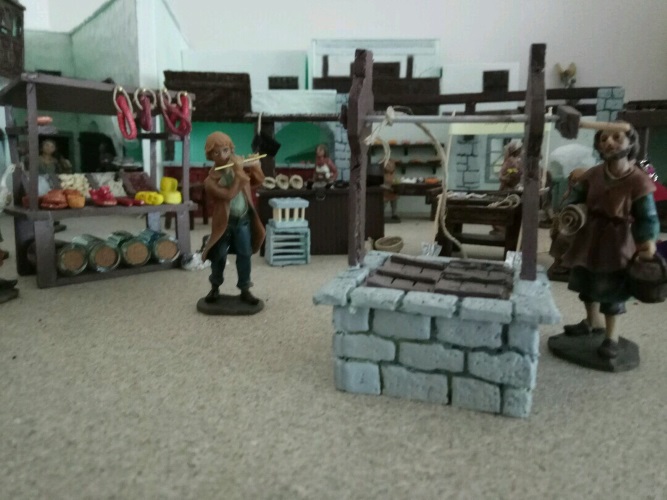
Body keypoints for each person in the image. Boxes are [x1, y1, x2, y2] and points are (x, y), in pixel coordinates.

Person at [559, 123, 660, 359]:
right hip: (589, 237)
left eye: (616, 137)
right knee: (585, 281)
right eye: (604, 139)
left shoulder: (638, 180)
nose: (609, 143)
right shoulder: (593, 174)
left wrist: (647, 241)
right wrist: (572, 210)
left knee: (612, 289)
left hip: (617, 241)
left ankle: (611, 336)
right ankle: (591, 321)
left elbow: (647, 216)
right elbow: (576, 196)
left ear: (630, 143)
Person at [200, 132, 266, 306]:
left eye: (225, 150)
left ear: (231, 150)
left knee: (245, 254)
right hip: (224, 223)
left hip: (242, 220)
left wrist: (255, 166)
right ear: (210, 155)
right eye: (216, 153)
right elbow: (229, 194)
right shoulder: (210, 180)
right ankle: (215, 287)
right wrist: (238, 172)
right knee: (219, 255)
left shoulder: (239, 167)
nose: (222, 156)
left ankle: (245, 289)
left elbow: (257, 181)